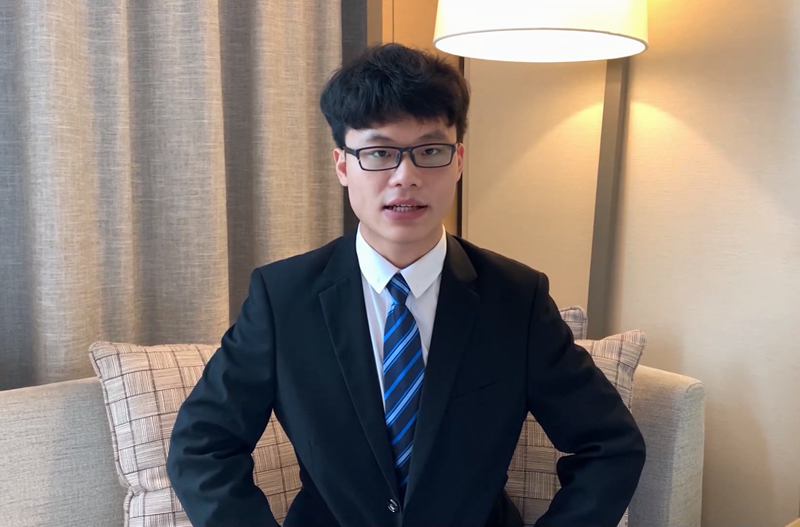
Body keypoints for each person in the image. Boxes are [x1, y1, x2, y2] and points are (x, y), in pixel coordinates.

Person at [166, 43, 646, 527]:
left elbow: (610, 444)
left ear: (458, 161)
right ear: (342, 165)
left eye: (430, 151)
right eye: (379, 152)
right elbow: (201, 446)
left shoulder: (517, 298)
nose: (405, 176)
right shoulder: (282, 298)